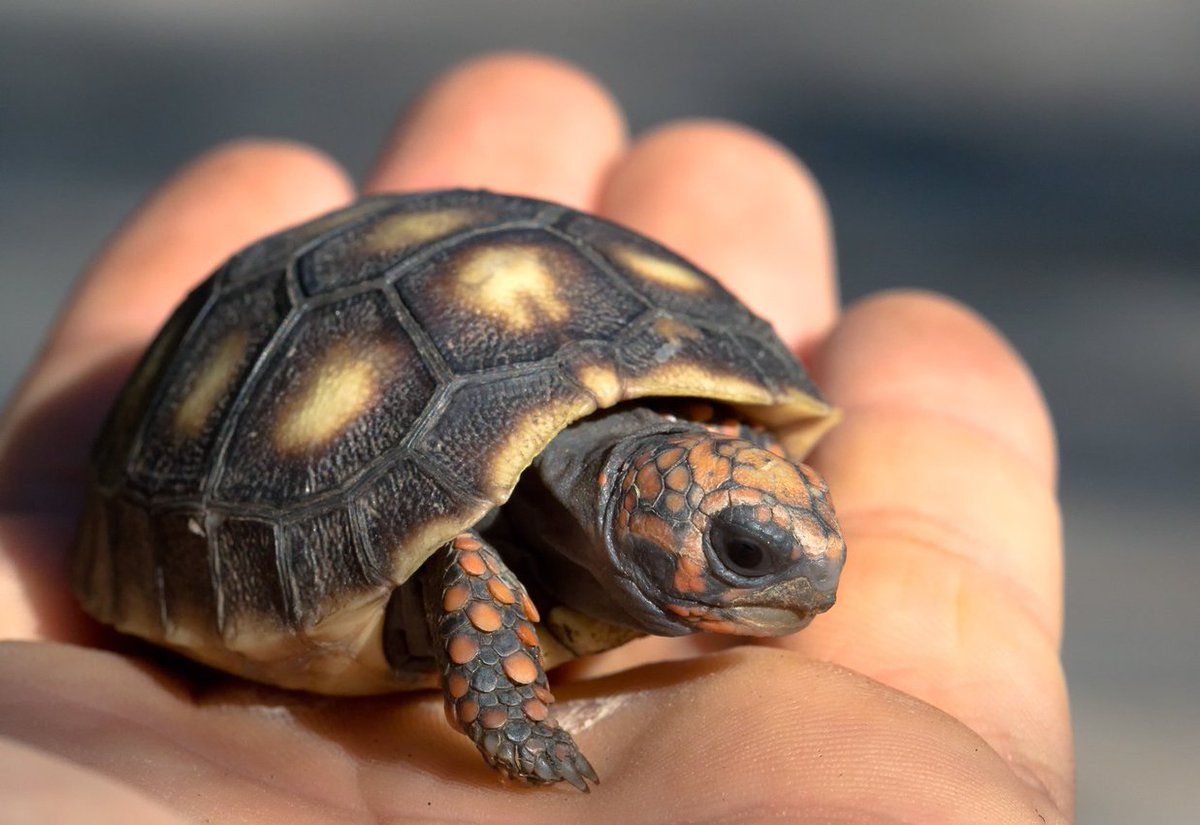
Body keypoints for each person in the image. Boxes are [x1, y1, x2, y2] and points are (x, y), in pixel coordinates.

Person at [0, 53, 1072, 822]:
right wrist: (507, 711)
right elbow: (469, 563)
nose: (801, 583)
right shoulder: (477, 559)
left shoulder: (686, 461)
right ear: (625, 522)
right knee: (467, 552)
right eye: (743, 555)